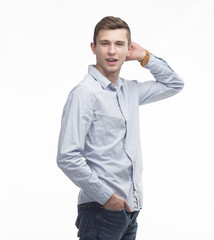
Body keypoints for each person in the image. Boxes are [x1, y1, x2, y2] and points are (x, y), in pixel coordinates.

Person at [57, 16, 184, 240]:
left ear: (128, 49)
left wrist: (145, 57)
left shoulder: (130, 91)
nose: (112, 51)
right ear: (93, 48)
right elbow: (67, 157)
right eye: (105, 43)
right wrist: (107, 198)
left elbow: (173, 84)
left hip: (130, 210)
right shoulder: (84, 93)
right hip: (101, 210)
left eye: (119, 44)